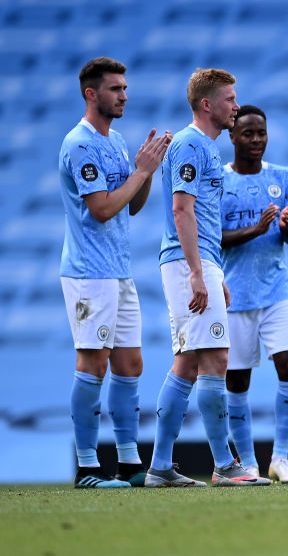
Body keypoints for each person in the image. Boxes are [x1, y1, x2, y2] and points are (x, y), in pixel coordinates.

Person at [145, 68, 270, 487]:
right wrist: (199, 273)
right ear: (207, 104)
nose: (236, 105)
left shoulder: (207, 148)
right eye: (231, 99)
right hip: (186, 262)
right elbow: (182, 210)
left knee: (187, 365)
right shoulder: (190, 145)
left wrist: (212, 270)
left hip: (198, 262)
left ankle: (161, 467)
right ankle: (224, 465)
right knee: (216, 359)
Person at [59, 57, 171, 488]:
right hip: (89, 273)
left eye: (125, 88)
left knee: (130, 363)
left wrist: (147, 171)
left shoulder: (117, 141)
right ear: (91, 93)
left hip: (118, 271)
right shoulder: (80, 143)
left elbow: (131, 204)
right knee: (94, 363)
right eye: (115, 89)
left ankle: (128, 462)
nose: (124, 95)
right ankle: (87, 467)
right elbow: (102, 208)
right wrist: (141, 170)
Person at [220, 105, 288, 483]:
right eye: (248, 133)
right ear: (232, 136)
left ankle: (281, 458)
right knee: (237, 382)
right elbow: (214, 239)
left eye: (262, 133)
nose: (256, 140)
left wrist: (286, 226)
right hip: (234, 296)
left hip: (277, 291)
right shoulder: (217, 183)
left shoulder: (284, 178)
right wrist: (257, 228)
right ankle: (249, 464)